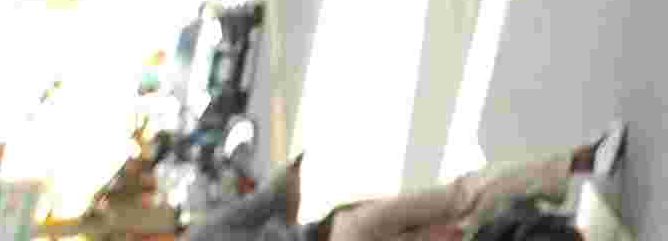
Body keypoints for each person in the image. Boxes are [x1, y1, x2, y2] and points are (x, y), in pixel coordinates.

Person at [180, 124, 626, 241]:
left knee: (463, 230)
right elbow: (271, 201)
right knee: (463, 196)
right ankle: (580, 160)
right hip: (341, 233)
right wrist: (292, 169)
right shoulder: (199, 236)